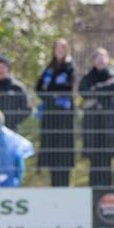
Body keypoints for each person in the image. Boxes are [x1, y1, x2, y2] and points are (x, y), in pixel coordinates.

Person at [35, 39, 76, 187]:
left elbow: (68, 88)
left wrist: (51, 90)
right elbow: (39, 88)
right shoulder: (49, 68)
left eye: (63, 48)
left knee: (63, 153)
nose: (59, 50)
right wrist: (53, 91)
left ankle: (65, 184)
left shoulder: (69, 67)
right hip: (49, 116)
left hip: (64, 118)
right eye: (57, 48)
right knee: (52, 152)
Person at [79, 48, 114, 188]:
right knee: (94, 162)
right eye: (97, 57)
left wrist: (95, 91)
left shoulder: (113, 74)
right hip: (92, 126)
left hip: (108, 126)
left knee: (107, 161)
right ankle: (93, 189)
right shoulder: (87, 76)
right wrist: (103, 89)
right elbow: (83, 91)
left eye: (103, 57)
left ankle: (108, 189)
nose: (100, 60)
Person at [0, 58, 33, 130]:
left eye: (3, 67)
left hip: (12, 129)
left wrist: (14, 120)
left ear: (8, 69)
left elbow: (27, 109)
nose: (0, 70)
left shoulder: (17, 87)